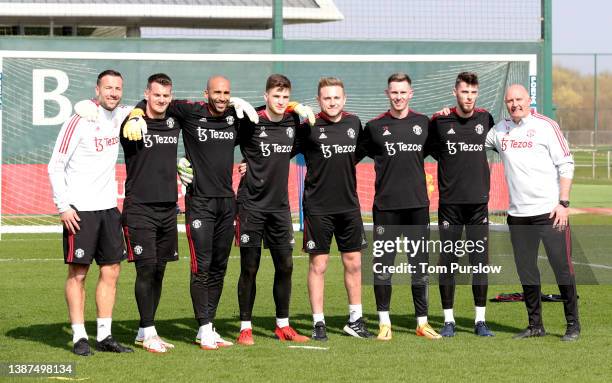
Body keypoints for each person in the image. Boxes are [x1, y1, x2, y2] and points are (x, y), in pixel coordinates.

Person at [128, 75, 258, 350]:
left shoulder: (235, 117)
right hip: (199, 202)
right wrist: (138, 111)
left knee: (219, 268)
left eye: (226, 93)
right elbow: (157, 102)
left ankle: (208, 327)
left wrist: (248, 161)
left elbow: (255, 139)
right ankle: (202, 325)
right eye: (217, 92)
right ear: (206, 93)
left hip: (227, 202)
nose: (222, 97)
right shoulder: (189, 112)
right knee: (201, 267)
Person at [48, 70, 134, 356]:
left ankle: (105, 335)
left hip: (109, 208)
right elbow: (55, 166)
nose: (113, 93)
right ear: (96, 89)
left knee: (111, 271)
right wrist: (63, 206)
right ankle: (79, 336)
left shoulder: (122, 114)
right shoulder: (78, 121)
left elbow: (150, 106)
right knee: (79, 273)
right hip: (80, 211)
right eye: (108, 88)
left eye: (117, 88)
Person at [485, 84, 580, 341]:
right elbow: (470, 137)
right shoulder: (499, 131)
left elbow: (566, 163)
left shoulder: (546, 126)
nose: (515, 104)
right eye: (510, 100)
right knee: (526, 270)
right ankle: (535, 325)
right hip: (517, 216)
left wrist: (564, 203)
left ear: (529, 100)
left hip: (550, 213)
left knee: (562, 268)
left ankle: (573, 325)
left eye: (519, 99)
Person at [356, 73, 440, 341]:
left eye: (403, 92)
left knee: (419, 266)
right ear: (387, 93)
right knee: (384, 266)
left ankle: (422, 322)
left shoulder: (424, 124)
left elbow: (446, 152)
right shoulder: (374, 127)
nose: (399, 97)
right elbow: (349, 157)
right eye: (394, 92)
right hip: (386, 208)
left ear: (411, 93)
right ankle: (384, 322)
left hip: (417, 207)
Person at [235, 74, 310, 345]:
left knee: (286, 266)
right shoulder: (251, 121)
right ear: (265, 96)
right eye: (275, 96)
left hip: (279, 207)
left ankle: (283, 325)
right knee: (250, 267)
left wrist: (295, 108)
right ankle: (245, 327)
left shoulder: (294, 122)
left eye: (285, 97)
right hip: (251, 205)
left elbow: (285, 152)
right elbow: (221, 140)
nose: (280, 101)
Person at [295, 77, 372, 341]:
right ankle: (318, 322)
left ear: (344, 99)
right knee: (319, 264)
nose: (332, 102)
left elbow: (359, 152)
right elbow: (281, 147)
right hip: (317, 208)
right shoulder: (309, 126)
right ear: (318, 101)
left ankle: (355, 320)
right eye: (327, 98)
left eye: (336, 97)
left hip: (349, 206)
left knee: (354, 262)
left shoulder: (354, 123)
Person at [428, 72, 495, 337]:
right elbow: (428, 149)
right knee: (448, 262)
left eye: (473, 92)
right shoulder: (440, 121)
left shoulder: (485, 119)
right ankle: (449, 320)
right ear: (455, 92)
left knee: (480, 262)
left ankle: (480, 320)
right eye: (464, 92)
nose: (469, 97)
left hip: (478, 204)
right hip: (450, 205)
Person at [119, 73, 181, 353]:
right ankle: (149, 331)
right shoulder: (132, 122)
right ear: (147, 93)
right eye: (157, 95)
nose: (162, 100)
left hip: (169, 208)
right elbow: (117, 116)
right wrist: (133, 114)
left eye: (166, 96)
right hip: (140, 208)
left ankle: (145, 330)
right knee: (145, 270)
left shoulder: (174, 119)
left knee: (159, 271)